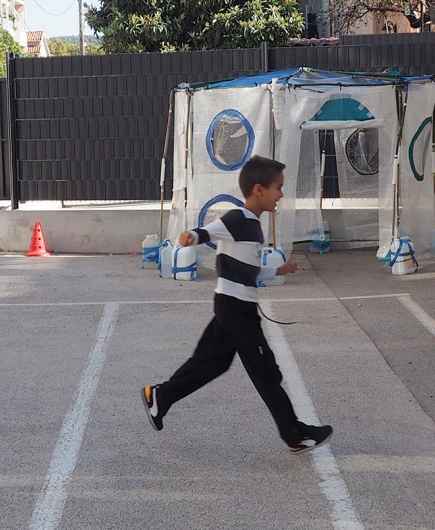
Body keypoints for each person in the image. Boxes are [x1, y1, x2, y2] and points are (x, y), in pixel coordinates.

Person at [141, 155, 333, 453]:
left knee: (212, 362)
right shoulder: (237, 218)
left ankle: (161, 396)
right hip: (235, 308)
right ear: (259, 190)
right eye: (278, 188)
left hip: (235, 306)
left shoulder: (253, 225)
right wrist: (190, 236)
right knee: (265, 371)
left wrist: (278, 270)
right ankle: (294, 435)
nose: (281, 194)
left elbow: (248, 271)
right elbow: (208, 231)